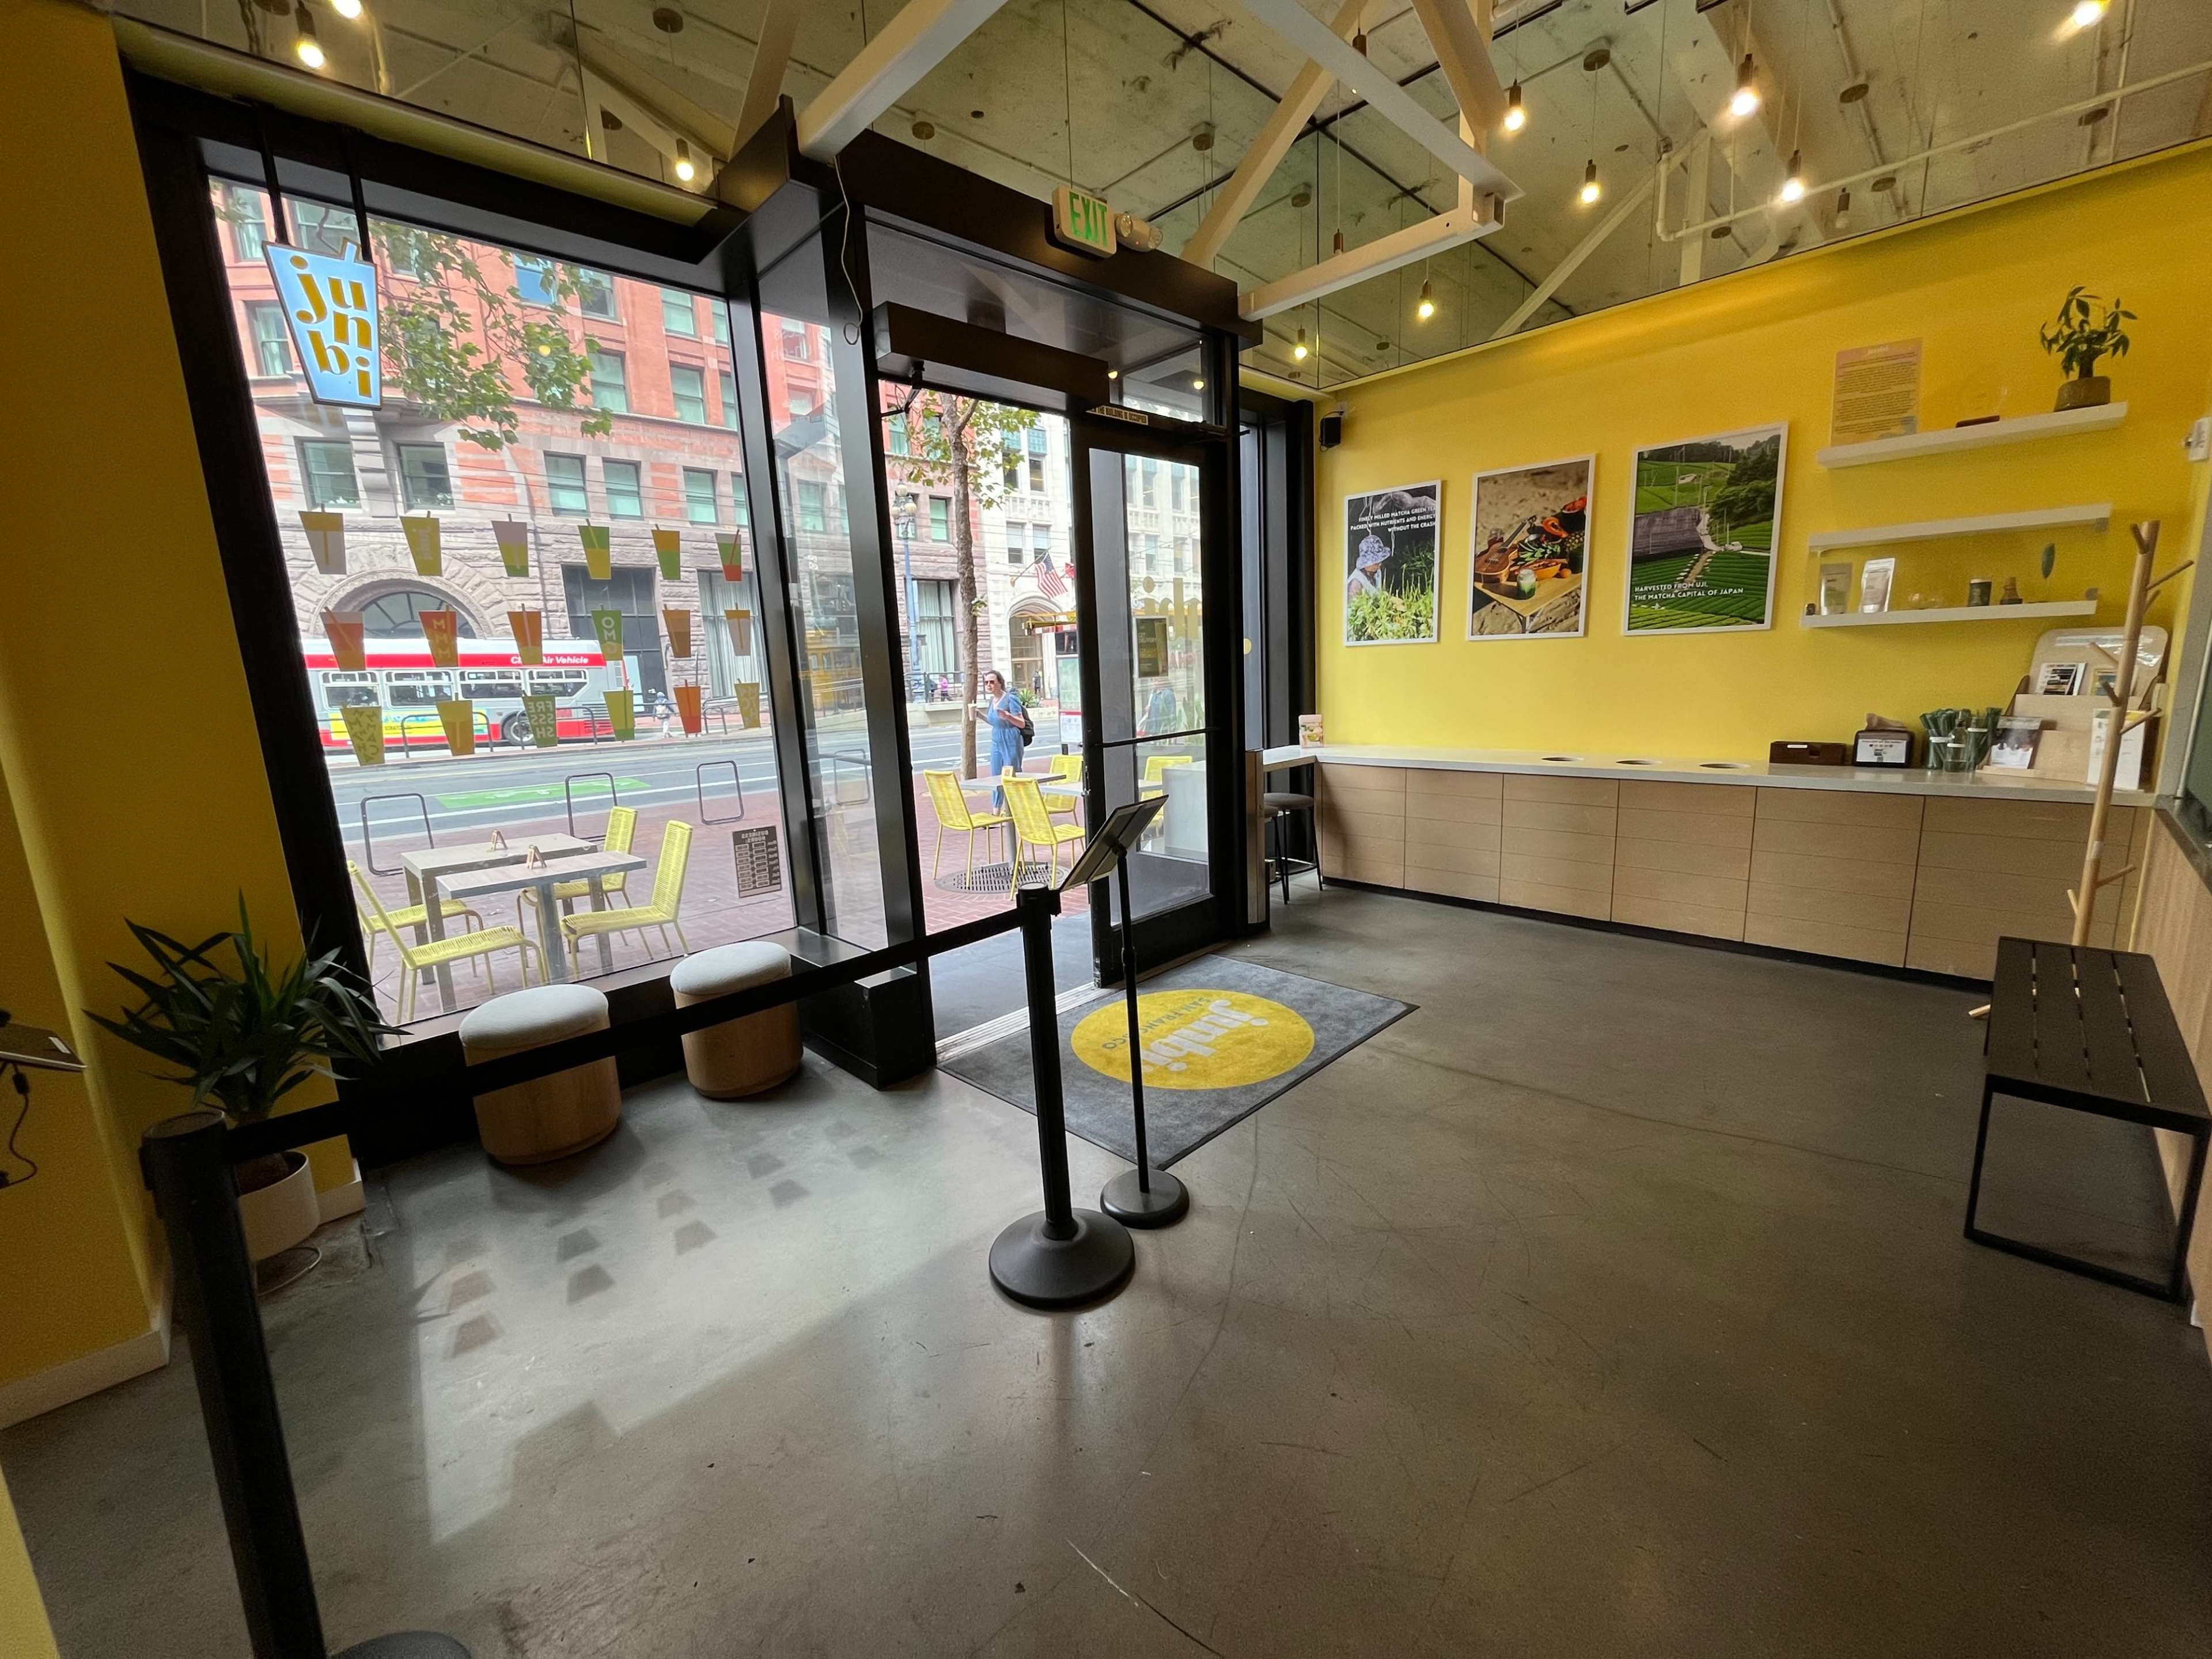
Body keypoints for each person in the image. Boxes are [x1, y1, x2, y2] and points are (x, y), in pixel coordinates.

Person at [976, 669, 1028, 805]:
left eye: (992, 682)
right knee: (996, 776)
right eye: (986, 682)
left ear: (1000, 683)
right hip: (997, 738)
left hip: (1011, 738)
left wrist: (1009, 716)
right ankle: (996, 812)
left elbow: (1021, 724)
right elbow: (995, 722)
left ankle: (1016, 809)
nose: (989, 685)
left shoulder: (1011, 699)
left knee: (1011, 774)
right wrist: (981, 716)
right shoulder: (992, 701)